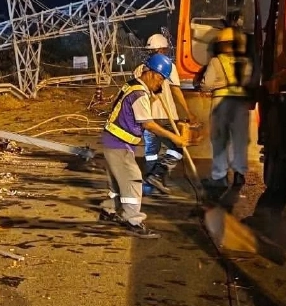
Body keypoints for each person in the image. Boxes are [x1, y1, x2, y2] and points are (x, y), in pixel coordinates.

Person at [98, 53, 190, 238]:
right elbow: (148, 123)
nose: (161, 85)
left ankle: (108, 211)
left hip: (113, 141)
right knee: (132, 179)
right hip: (118, 144)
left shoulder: (133, 86)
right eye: (161, 80)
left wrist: (153, 95)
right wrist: (175, 137)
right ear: (153, 74)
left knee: (118, 182)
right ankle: (134, 221)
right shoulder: (140, 94)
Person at [134, 33, 194, 195]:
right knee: (177, 148)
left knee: (151, 153)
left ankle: (152, 183)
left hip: (147, 118)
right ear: (162, 49)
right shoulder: (169, 66)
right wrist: (188, 112)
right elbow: (176, 91)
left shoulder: (139, 69)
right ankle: (158, 175)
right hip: (166, 117)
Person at [198, 24, 253, 190]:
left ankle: (219, 177)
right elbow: (249, 82)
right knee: (240, 140)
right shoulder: (246, 62)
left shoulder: (216, 61)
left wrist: (205, 86)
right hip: (241, 104)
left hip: (221, 102)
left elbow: (206, 84)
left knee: (220, 140)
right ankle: (239, 175)